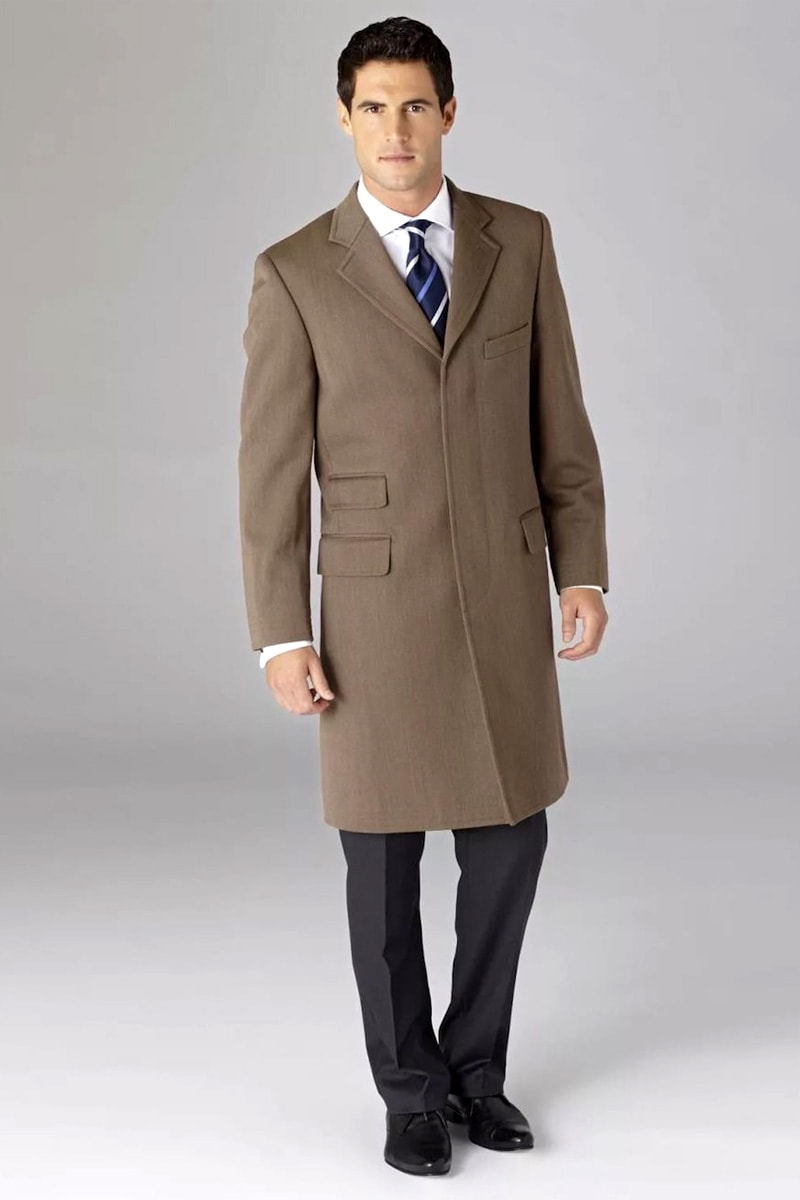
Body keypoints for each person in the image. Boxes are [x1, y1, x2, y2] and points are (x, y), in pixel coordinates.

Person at [237, 15, 609, 1177]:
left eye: (413, 105)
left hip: (500, 599)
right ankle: (408, 1094)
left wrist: (580, 567)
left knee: (509, 845)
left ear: (448, 113)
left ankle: (474, 1072)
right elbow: (268, 473)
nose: (394, 129)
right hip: (373, 617)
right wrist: (279, 635)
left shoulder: (519, 241)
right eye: (372, 107)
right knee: (383, 870)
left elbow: (559, 421)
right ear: (342, 119)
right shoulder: (295, 272)